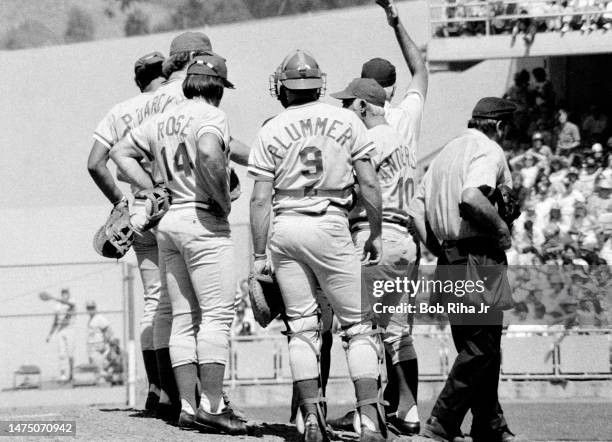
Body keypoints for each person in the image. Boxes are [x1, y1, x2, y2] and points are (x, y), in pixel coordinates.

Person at [248, 49, 386, 441]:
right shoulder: (346, 119)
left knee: (303, 328)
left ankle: (310, 417)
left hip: (287, 225)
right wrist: (374, 231)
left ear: (283, 87)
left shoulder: (271, 127)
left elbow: (259, 199)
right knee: (358, 327)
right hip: (331, 221)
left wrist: (259, 255)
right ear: (319, 84)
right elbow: (370, 184)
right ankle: (371, 419)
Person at [111, 54, 249, 434]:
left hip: (168, 220)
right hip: (202, 217)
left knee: (183, 317)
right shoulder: (212, 115)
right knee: (217, 316)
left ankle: (188, 406)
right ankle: (214, 405)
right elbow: (208, 152)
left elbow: (119, 153)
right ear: (217, 86)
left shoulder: (161, 118)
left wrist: (152, 188)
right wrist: (221, 198)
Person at [330, 0, 429, 434]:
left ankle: (367, 416)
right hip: (408, 238)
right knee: (398, 330)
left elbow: (359, 187)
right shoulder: (404, 130)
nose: (347, 109)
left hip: (379, 237)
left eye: (351, 103)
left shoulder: (371, 137)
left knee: (361, 329)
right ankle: (407, 410)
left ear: (368, 103)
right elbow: (422, 73)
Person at [409, 97, 517, 442]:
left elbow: (415, 212)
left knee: (478, 348)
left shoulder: (444, 153)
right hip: (479, 255)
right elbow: (471, 197)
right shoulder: (488, 149)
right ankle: (442, 422)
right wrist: (501, 230)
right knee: (482, 348)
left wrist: (440, 250)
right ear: (498, 126)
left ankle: (489, 424)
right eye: (508, 128)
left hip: (450, 258)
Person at [87, 50, 169, 414]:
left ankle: (155, 390)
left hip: (139, 211)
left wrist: (121, 202)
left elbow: (94, 163)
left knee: (154, 300)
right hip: (175, 205)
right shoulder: (176, 99)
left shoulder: (120, 110)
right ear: (166, 72)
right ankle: (188, 393)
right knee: (184, 304)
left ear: (138, 79)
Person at [46, 288, 76, 383]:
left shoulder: (72, 301)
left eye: (66, 294)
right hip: (60, 330)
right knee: (61, 354)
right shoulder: (58, 306)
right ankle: (63, 374)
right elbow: (55, 321)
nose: (64, 295)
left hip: (70, 329)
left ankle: (71, 374)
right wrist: (50, 334)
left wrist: (53, 298)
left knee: (70, 353)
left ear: (68, 294)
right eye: (63, 294)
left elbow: (71, 305)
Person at [85, 301, 112, 377]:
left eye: (92, 308)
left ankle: (105, 378)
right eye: (89, 308)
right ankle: (103, 377)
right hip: (92, 346)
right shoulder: (91, 319)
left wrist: (105, 342)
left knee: (99, 365)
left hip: (98, 345)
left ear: (95, 308)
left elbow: (108, 329)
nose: (90, 310)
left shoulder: (99, 318)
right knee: (95, 365)